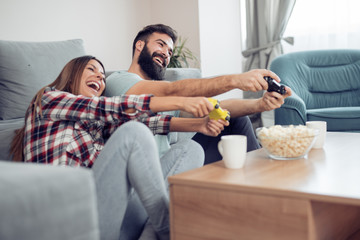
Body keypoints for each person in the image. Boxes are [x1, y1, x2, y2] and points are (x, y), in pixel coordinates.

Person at [10, 55, 228, 240]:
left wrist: (198, 125)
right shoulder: (48, 99)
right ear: (73, 73)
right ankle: (169, 228)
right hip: (76, 224)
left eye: (103, 76)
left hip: (113, 215)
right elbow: (109, 108)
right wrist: (180, 101)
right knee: (134, 133)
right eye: (92, 69)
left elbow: (149, 123)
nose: (99, 77)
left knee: (191, 149)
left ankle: (156, 232)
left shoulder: (95, 124)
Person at [105, 23, 292, 165]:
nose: (166, 54)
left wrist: (260, 105)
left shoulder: (161, 92)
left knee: (233, 118)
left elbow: (213, 108)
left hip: (173, 152)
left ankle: (262, 175)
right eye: (160, 45)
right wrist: (235, 80)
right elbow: (172, 90)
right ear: (139, 45)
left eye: (170, 51)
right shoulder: (120, 79)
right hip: (156, 163)